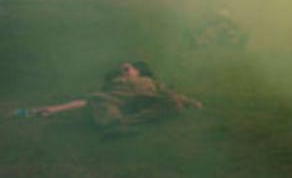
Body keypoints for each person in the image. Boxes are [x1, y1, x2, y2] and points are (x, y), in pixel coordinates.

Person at [17, 61, 203, 132]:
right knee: (102, 113)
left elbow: (169, 94)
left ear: (138, 71)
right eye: (121, 69)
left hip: (146, 103)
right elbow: (87, 101)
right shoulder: (112, 85)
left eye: (128, 67)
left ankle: (127, 122)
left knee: (173, 103)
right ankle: (123, 122)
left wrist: (191, 102)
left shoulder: (149, 81)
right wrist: (53, 109)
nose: (124, 70)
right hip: (115, 105)